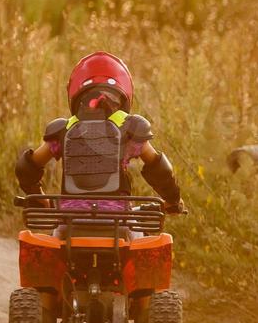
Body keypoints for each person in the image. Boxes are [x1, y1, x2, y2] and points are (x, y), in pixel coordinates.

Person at [14, 51, 184, 214]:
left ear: (78, 96)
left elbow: (26, 169)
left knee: (55, 236)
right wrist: (173, 200)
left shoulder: (64, 130)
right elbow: (159, 169)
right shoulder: (130, 130)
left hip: (70, 220)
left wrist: (39, 198)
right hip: (119, 221)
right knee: (141, 237)